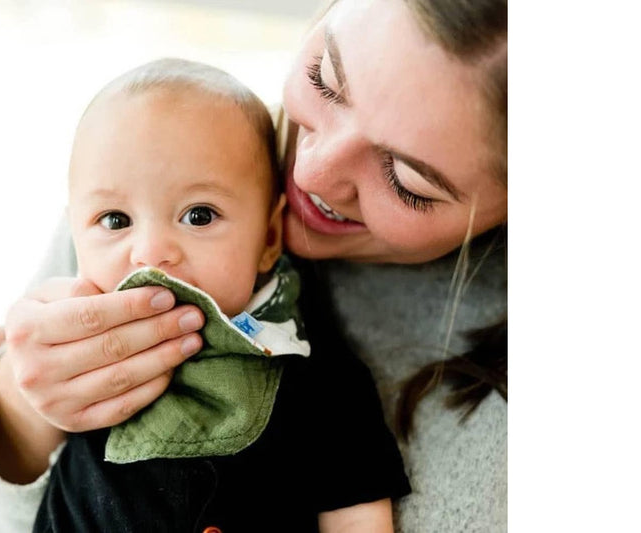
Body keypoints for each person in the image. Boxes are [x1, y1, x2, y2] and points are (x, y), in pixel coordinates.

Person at [0, 0, 507, 531]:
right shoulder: (149, 153)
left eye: (406, 181)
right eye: (326, 79)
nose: (310, 172)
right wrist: (20, 404)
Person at [30, 57, 410, 531]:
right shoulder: (72, 345)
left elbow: (357, 509)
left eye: (200, 215)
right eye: (114, 220)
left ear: (269, 238)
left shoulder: (317, 376)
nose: (149, 254)